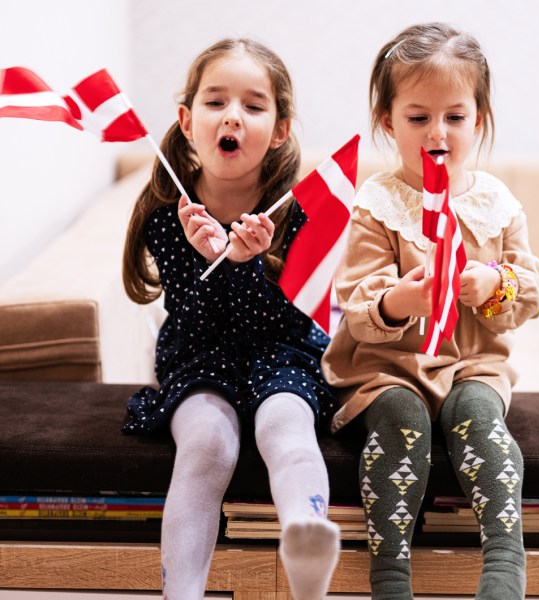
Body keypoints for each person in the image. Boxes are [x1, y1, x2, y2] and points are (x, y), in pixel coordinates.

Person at [322, 22, 539, 600]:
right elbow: (356, 303)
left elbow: (530, 290)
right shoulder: (378, 205)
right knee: (402, 420)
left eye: (454, 116)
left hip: (470, 364)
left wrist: (490, 284)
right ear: (387, 123)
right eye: (418, 118)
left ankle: (503, 564)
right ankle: (390, 574)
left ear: (480, 120)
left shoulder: (496, 205)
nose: (437, 133)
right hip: (389, 367)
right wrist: (403, 299)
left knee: (481, 418)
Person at [121, 38, 340, 600]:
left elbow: (293, 316)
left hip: (282, 352)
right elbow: (197, 323)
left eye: (254, 105)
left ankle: (306, 539)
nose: (233, 117)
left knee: (285, 428)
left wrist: (248, 263)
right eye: (216, 102)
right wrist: (208, 259)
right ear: (187, 120)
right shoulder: (168, 217)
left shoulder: (301, 210)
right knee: (207, 445)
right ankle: (182, 592)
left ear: (281, 129)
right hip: (200, 358)